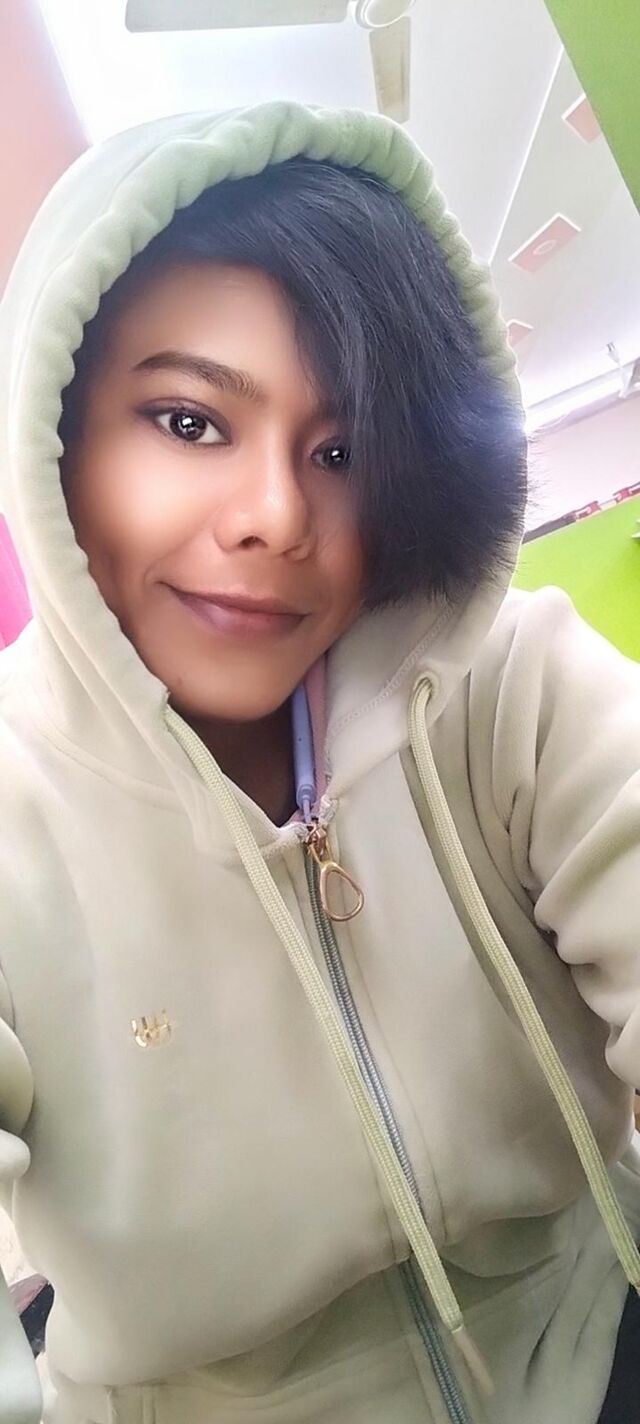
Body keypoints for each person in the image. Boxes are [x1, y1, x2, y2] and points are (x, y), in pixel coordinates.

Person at [0, 100, 638, 1424]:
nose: (279, 515)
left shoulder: (506, 688)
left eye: (340, 450)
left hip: (586, 1334)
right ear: (58, 443)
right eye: (188, 421)